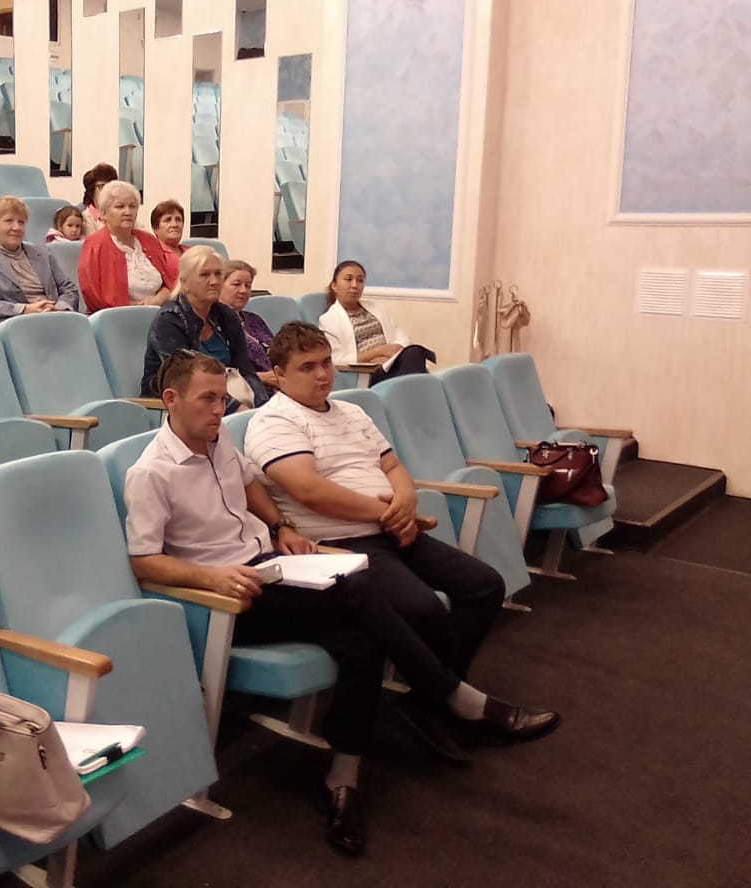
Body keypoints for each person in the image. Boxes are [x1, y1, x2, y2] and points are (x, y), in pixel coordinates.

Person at [126, 350, 560, 857]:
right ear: (171, 399)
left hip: (269, 569)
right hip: (226, 600)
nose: (220, 410)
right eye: (208, 399)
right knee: (356, 585)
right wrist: (210, 576)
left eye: (223, 399)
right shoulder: (151, 472)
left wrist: (281, 526)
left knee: (360, 643)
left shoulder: (218, 441)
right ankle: (452, 695)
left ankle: (343, 777)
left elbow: (248, 483)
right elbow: (143, 561)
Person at [140, 245, 266, 410]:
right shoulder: (169, 320)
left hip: (225, 395)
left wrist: (261, 407)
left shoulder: (227, 315)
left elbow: (246, 369)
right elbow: (186, 379)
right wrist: (236, 408)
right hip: (180, 403)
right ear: (185, 283)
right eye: (204, 275)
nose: (214, 281)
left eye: (218, 274)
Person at [318, 260, 435, 385]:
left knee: (414, 353)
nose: (355, 285)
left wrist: (389, 356)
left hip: (390, 364)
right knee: (415, 356)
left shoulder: (376, 307)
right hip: (368, 374)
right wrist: (379, 352)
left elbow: (403, 337)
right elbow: (337, 359)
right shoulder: (328, 320)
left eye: (360, 280)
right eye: (348, 279)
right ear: (334, 286)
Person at [0, 196, 80, 320]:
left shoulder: (43, 253)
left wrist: (59, 308)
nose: (17, 227)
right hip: (17, 322)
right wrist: (24, 309)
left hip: (57, 316)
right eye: (9, 221)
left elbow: (68, 289)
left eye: (21, 222)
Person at [77, 180, 176, 313]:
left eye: (132, 206)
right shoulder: (94, 245)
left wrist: (154, 302)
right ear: (104, 213)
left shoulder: (149, 241)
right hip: (115, 318)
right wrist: (133, 309)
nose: (128, 212)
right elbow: (93, 295)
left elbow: (169, 284)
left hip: (159, 312)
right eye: (120, 206)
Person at [219, 259, 278, 391]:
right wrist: (260, 377)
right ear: (220, 286)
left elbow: (279, 352)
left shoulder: (255, 319)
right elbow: (217, 372)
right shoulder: (214, 324)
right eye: (236, 284)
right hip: (246, 391)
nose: (243, 290)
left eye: (248, 285)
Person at [149, 198, 187, 283]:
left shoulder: (191, 251)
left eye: (178, 220)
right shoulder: (152, 255)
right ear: (155, 228)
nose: (174, 224)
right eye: (167, 220)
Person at [79, 162, 118, 235]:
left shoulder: (121, 212)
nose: (107, 190)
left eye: (111, 186)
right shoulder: (84, 219)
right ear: (92, 190)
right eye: (102, 186)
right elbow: (95, 241)